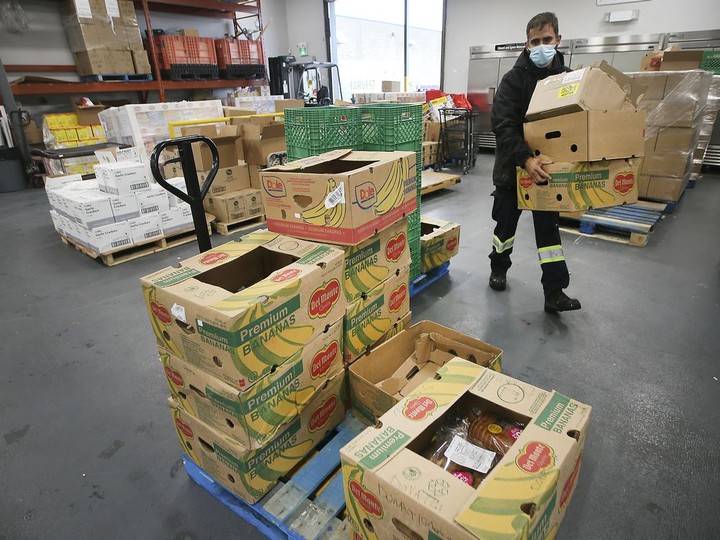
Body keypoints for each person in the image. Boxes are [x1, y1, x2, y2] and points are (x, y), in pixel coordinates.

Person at [488, 12, 581, 314]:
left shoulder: (567, 80)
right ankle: (499, 267)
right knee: (505, 225)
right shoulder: (513, 80)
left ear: (558, 40)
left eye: (547, 40)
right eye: (535, 41)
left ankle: (554, 292)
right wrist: (525, 158)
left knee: (548, 232)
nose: (541, 46)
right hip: (512, 167)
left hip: (549, 168)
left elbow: (574, 124)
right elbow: (503, 124)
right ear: (527, 44)